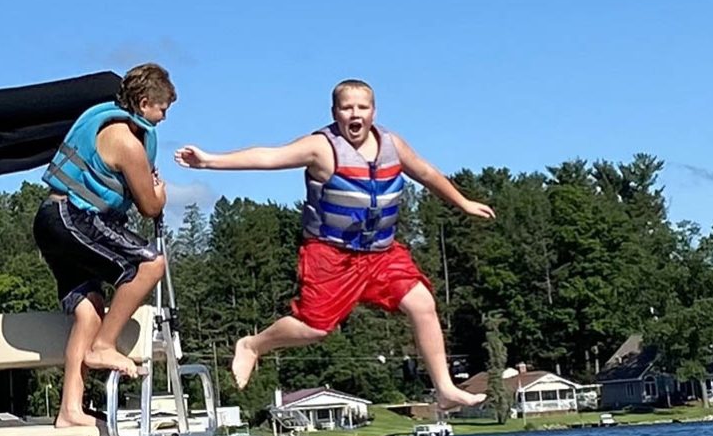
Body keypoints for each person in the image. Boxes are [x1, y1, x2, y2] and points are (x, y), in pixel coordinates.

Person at [173, 79, 490, 409]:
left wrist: (463, 202)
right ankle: (253, 345)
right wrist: (209, 160)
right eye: (347, 108)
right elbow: (268, 156)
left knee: (422, 303)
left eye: (362, 107)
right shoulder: (321, 147)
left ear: (374, 111)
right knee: (315, 329)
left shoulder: (392, 144)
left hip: (381, 252)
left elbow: (426, 173)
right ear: (334, 112)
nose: (355, 114)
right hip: (331, 253)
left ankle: (445, 388)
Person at [33, 63, 176, 427]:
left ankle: (69, 411)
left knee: (89, 310)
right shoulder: (127, 142)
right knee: (150, 264)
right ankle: (103, 346)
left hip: (49, 220)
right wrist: (161, 193)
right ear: (143, 104)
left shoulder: (102, 120)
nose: (163, 118)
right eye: (162, 109)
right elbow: (150, 206)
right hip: (72, 218)